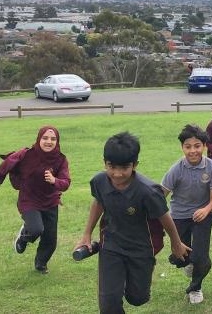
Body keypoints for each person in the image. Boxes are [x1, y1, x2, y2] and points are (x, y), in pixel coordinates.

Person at [75, 132, 190, 314]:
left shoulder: (148, 191)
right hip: (111, 245)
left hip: (141, 249)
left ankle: (140, 283)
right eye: (111, 167)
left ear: (135, 165)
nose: (117, 174)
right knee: (108, 303)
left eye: (124, 168)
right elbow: (98, 202)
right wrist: (87, 234)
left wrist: (176, 243)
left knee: (137, 298)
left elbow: (164, 217)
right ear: (104, 162)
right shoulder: (99, 181)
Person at [161, 125, 212, 305]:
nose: (192, 150)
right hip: (179, 216)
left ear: (204, 146)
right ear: (182, 148)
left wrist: (205, 209)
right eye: (188, 146)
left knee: (201, 258)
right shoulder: (176, 169)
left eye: (197, 146)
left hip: (202, 216)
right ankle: (185, 261)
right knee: (180, 257)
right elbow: (160, 195)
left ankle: (195, 288)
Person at [0, 126, 71, 274]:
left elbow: (66, 183)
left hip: (50, 202)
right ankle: (24, 237)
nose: (48, 141)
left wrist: (54, 180)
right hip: (29, 200)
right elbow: (8, 163)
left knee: (51, 239)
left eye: (53, 139)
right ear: (39, 139)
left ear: (57, 141)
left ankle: (41, 263)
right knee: (36, 229)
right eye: (45, 138)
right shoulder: (26, 154)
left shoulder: (60, 160)